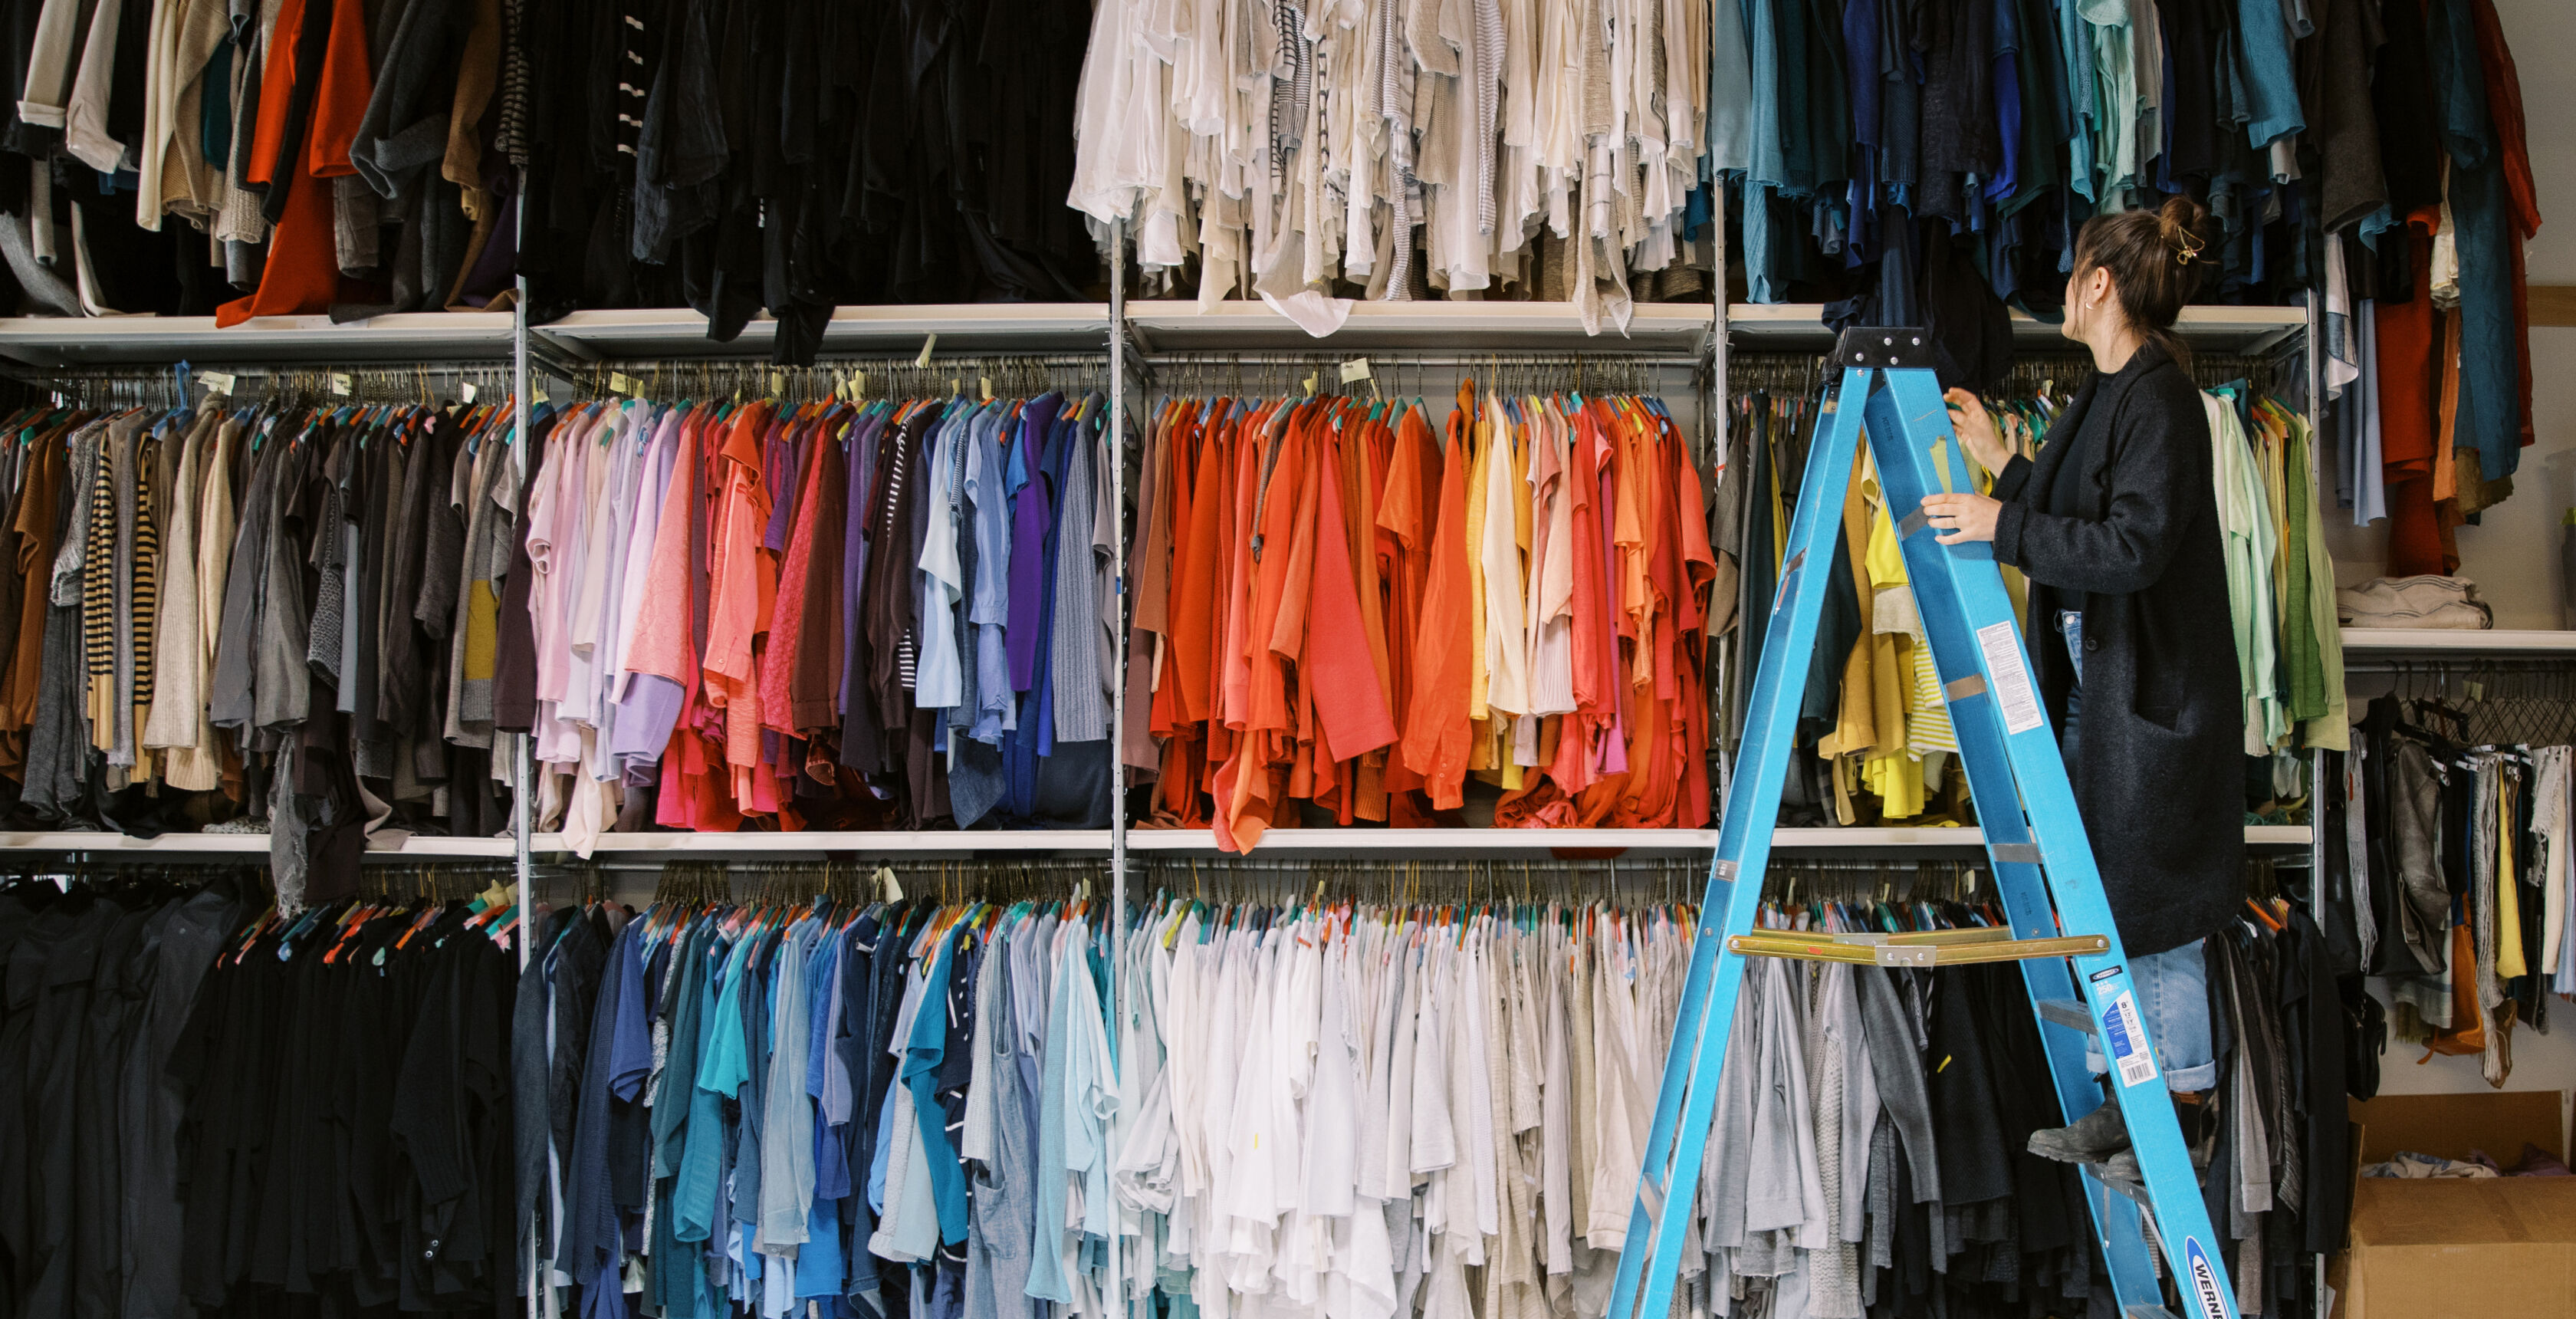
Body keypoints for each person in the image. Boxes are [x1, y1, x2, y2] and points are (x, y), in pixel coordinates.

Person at [1915, 199, 2245, 1164]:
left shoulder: (2163, 399)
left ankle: (2177, 1115)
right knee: (2105, 901)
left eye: (2069, 273)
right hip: (2101, 695)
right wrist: (2005, 467)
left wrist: (1996, 524)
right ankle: (2127, 1100)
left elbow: (2134, 544)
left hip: (2153, 701)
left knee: (2157, 917)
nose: (2061, 288)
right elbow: (2083, 509)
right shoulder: (2109, 389)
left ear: (2098, 283)